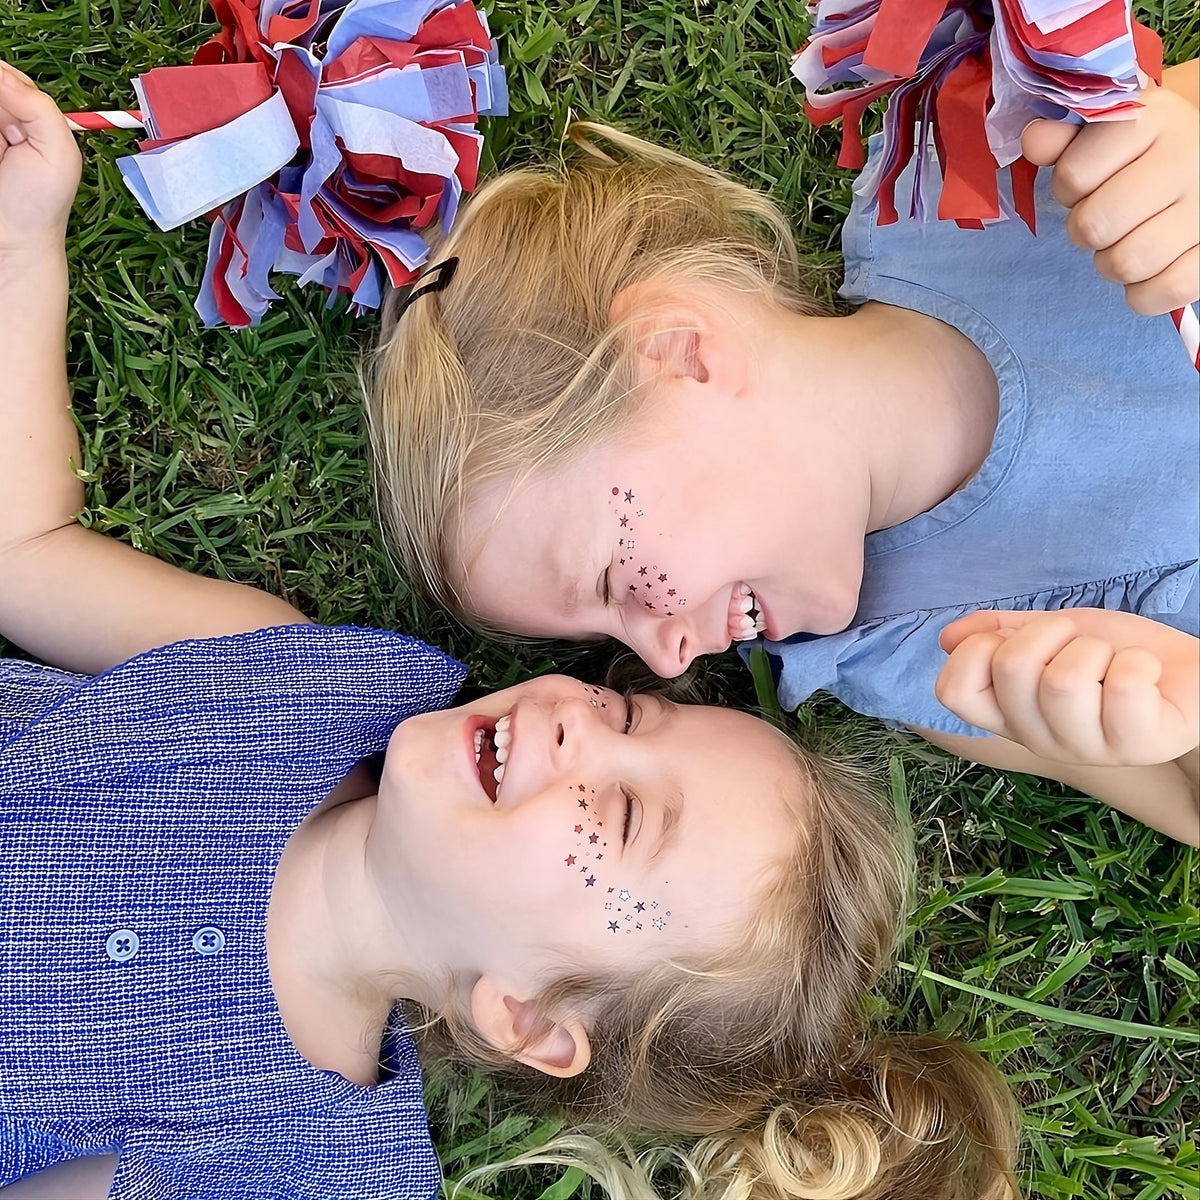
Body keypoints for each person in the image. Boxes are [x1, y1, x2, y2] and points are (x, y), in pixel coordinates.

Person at [0, 63, 1019, 1200]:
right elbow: (23, 554)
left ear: (526, 1018)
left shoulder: (298, 1167)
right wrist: (24, 240)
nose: (585, 723)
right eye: (631, 708)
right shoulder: (289, 682)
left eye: (627, 814)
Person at [367, 54, 1200, 845]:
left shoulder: (964, 172)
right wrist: (1174, 707)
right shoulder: (921, 653)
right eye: (624, 640)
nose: (668, 654)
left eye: (617, 585)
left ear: (678, 350)